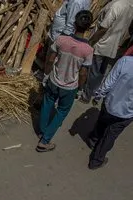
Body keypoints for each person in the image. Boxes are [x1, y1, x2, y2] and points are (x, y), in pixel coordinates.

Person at [38, 11, 94, 152]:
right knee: (62, 111)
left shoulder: (61, 40)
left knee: (47, 104)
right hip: (69, 87)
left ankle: (42, 131)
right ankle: (44, 141)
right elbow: (83, 73)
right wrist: (80, 89)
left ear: (74, 23)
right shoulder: (88, 50)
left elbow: (50, 60)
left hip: (54, 80)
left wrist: (46, 75)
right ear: (88, 28)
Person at [80, 0, 133, 102]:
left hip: (102, 43)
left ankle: (86, 96)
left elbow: (103, 28)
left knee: (94, 71)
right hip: (114, 44)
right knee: (101, 71)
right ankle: (96, 91)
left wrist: (91, 41)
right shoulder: (130, 4)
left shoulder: (116, 5)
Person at [87, 54, 133, 169]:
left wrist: (99, 95)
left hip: (110, 104)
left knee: (102, 122)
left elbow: (109, 81)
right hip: (127, 112)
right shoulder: (125, 61)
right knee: (111, 135)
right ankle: (96, 160)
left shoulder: (125, 61)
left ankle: (93, 140)